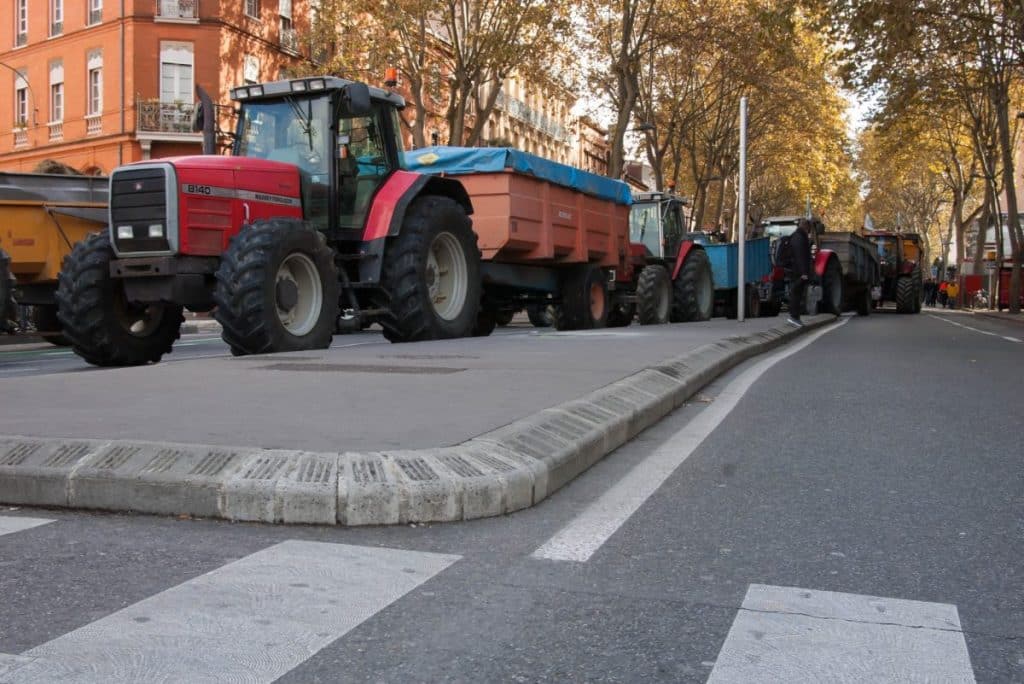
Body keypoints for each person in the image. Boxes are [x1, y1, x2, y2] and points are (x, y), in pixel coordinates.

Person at [786, 219, 813, 327]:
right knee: (796, 293)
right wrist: (804, 272)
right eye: (809, 229)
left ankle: (795, 317)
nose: (809, 232)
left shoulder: (796, 236)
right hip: (798, 272)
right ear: (806, 227)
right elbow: (801, 256)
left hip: (795, 270)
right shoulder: (799, 238)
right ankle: (794, 317)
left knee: (796, 293)